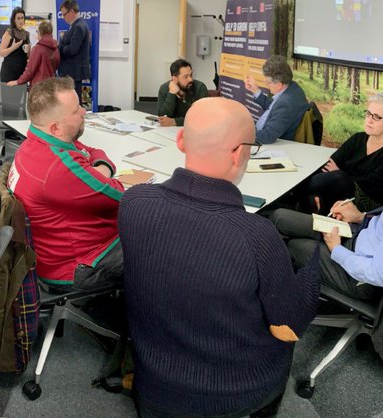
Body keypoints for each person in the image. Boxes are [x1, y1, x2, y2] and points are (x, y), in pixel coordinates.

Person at [120, 98, 320, 418]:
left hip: (155, 385)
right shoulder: (257, 236)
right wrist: (315, 262)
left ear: (181, 140)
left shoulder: (133, 202)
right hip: (234, 395)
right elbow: (290, 327)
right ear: (240, 153)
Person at [269, 100, 383, 301]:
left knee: (293, 245)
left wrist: (336, 249)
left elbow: (380, 275)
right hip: (361, 234)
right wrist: (361, 217)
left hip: (362, 276)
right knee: (280, 218)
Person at [8, 76, 123, 290]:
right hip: (79, 265)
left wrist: (98, 170)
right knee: (158, 239)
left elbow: (92, 151)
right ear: (56, 128)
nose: (84, 111)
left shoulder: (34, 144)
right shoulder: (59, 167)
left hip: (54, 254)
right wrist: (103, 171)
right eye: (76, 109)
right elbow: (119, 195)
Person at [298, 92, 383, 214]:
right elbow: (331, 164)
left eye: (376, 117)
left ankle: (294, 192)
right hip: (341, 191)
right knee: (316, 194)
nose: (369, 120)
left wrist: (342, 173)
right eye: (368, 114)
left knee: (339, 178)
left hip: (369, 202)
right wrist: (341, 174)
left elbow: (370, 185)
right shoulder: (358, 138)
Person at [244, 55, 308, 144]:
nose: (265, 83)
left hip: (273, 142)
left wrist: (242, 135)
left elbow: (268, 136)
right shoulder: (292, 87)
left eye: (268, 82)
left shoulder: (286, 104)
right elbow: (274, 108)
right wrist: (256, 91)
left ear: (279, 85)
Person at [155, 59, 208, 127]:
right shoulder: (164, 88)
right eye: (186, 77)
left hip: (195, 129)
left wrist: (174, 121)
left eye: (191, 75)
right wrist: (171, 93)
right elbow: (162, 116)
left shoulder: (200, 88)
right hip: (170, 130)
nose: (190, 79)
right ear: (175, 79)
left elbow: (201, 117)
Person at [57, 0, 91, 103]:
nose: (63, 17)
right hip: (72, 72)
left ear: (71, 11)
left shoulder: (79, 26)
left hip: (73, 72)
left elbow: (72, 49)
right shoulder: (76, 25)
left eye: (64, 14)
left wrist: (60, 47)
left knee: (74, 102)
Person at [7, 20, 58, 88]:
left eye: (37, 32)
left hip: (38, 88)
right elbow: (55, 65)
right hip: (51, 86)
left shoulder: (38, 48)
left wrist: (17, 82)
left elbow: (30, 71)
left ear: (40, 33)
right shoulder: (56, 48)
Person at [0, 7, 29, 83]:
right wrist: (13, 47)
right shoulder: (9, 32)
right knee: (8, 95)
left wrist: (29, 51)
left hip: (21, 73)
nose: (21, 20)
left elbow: (27, 56)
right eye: (18, 18)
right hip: (9, 72)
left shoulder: (26, 34)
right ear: (14, 20)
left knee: (21, 95)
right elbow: (1, 53)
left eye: (22, 18)